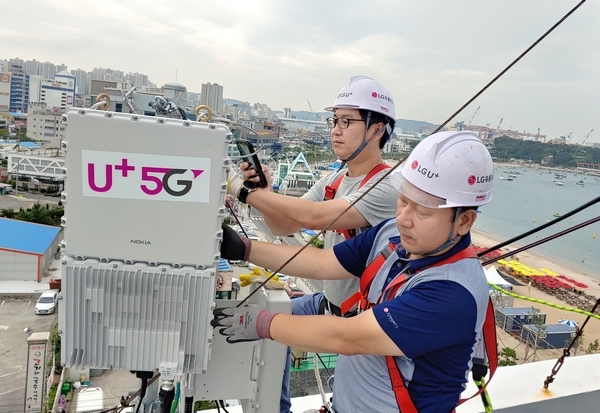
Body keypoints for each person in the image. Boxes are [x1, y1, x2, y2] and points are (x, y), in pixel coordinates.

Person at [214, 131, 495, 413]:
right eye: (403, 201)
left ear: (464, 221)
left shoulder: (452, 293)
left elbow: (347, 337)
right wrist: (244, 248)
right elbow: (322, 262)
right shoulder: (391, 236)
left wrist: (262, 323)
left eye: (422, 212)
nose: (404, 219)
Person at [227, 76, 399, 412]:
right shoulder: (335, 178)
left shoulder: (386, 187)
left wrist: (244, 192)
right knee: (270, 320)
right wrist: (266, 194)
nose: (336, 130)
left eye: (347, 122)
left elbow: (316, 217)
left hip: (358, 322)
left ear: (377, 130)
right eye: (335, 120)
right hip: (330, 303)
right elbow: (285, 224)